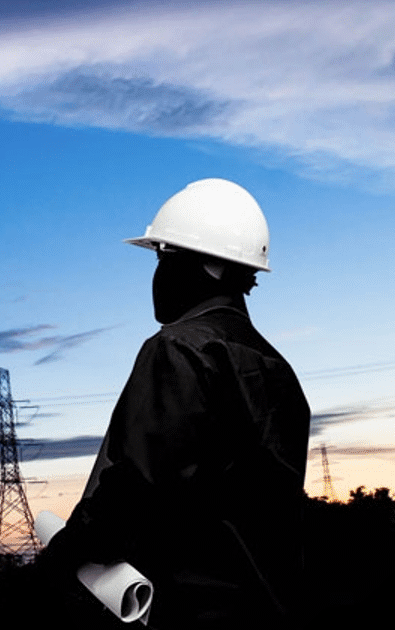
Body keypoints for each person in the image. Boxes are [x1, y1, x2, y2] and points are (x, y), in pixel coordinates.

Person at [41, 178, 311, 629]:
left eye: (166, 256)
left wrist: (64, 554)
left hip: (192, 619)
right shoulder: (278, 370)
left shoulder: (180, 350)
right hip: (272, 612)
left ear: (212, 267)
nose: (158, 273)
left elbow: (136, 487)